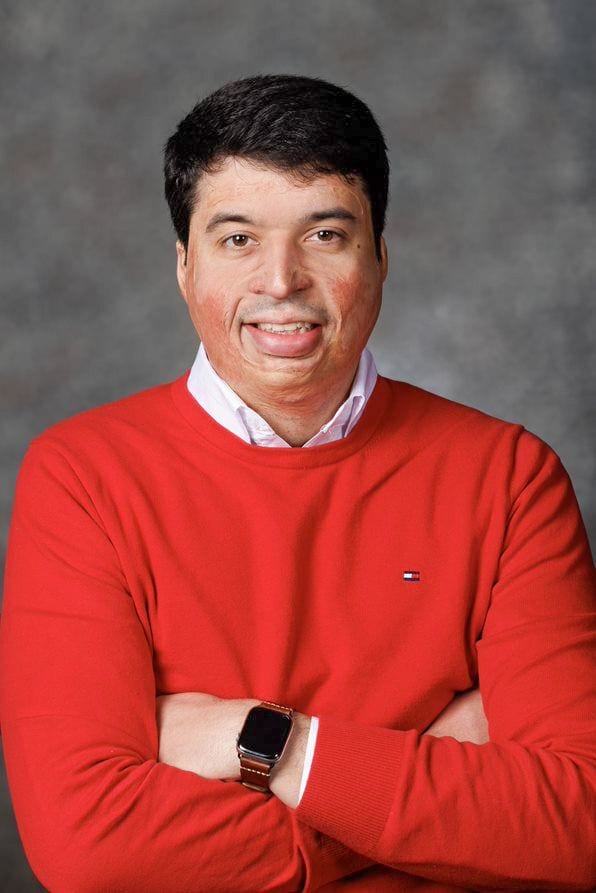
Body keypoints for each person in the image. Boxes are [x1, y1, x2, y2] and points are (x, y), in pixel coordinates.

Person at [0, 74, 594, 892]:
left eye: (324, 234)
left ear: (380, 257)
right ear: (183, 266)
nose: (281, 281)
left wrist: (269, 742)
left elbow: (579, 823)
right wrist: (408, 796)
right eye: (237, 239)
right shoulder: (83, 479)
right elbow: (90, 851)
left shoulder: (510, 477)